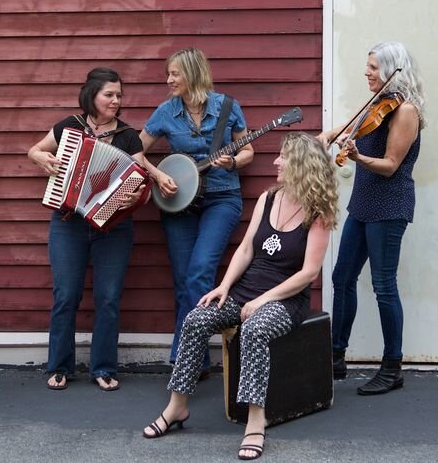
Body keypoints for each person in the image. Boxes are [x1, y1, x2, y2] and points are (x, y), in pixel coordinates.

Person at [142, 132, 338, 460]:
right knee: (196, 319)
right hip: (244, 291)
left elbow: (308, 274)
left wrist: (264, 300)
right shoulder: (269, 198)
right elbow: (246, 248)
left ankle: (255, 420)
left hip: (286, 301)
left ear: (302, 165)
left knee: (255, 329)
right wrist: (224, 286)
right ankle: (177, 407)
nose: (276, 161)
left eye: (284, 157)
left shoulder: (319, 212)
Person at [27, 67, 147, 392]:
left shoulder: (127, 135)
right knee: (66, 295)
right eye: (109, 94)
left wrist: (135, 193)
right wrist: (44, 159)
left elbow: (139, 178)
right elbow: (34, 150)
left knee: (108, 298)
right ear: (92, 94)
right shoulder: (70, 127)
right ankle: (59, 366)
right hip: (68, 222)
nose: (116, 100)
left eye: (119, 95)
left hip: (113, 226)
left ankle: (104, 368)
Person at [318, 41, 426, 395]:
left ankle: (392, 366)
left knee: (383, 286)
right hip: (363, 202)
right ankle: (336, 356)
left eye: (373, 66)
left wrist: (358, 157)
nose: (366, 71)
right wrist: (330, 135)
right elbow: (352, 131)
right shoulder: (378, 105)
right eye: (367, 66)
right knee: (342, 276)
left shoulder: (405, 111)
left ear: (393, 68)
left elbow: (391, 165)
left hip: (389, 204)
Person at [139, 47, 254, 376]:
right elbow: (136, 150)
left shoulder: (228, 107)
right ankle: (198, 360)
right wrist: (158, 175)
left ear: (193, 73)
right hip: (180, 203)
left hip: (222, 198)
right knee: (182, 282)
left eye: (175, 73)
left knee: (199, 271)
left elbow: (247, 150)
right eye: (168, 74)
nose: (169, 80)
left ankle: (183, 358)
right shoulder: (165, 111)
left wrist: (233, 160)